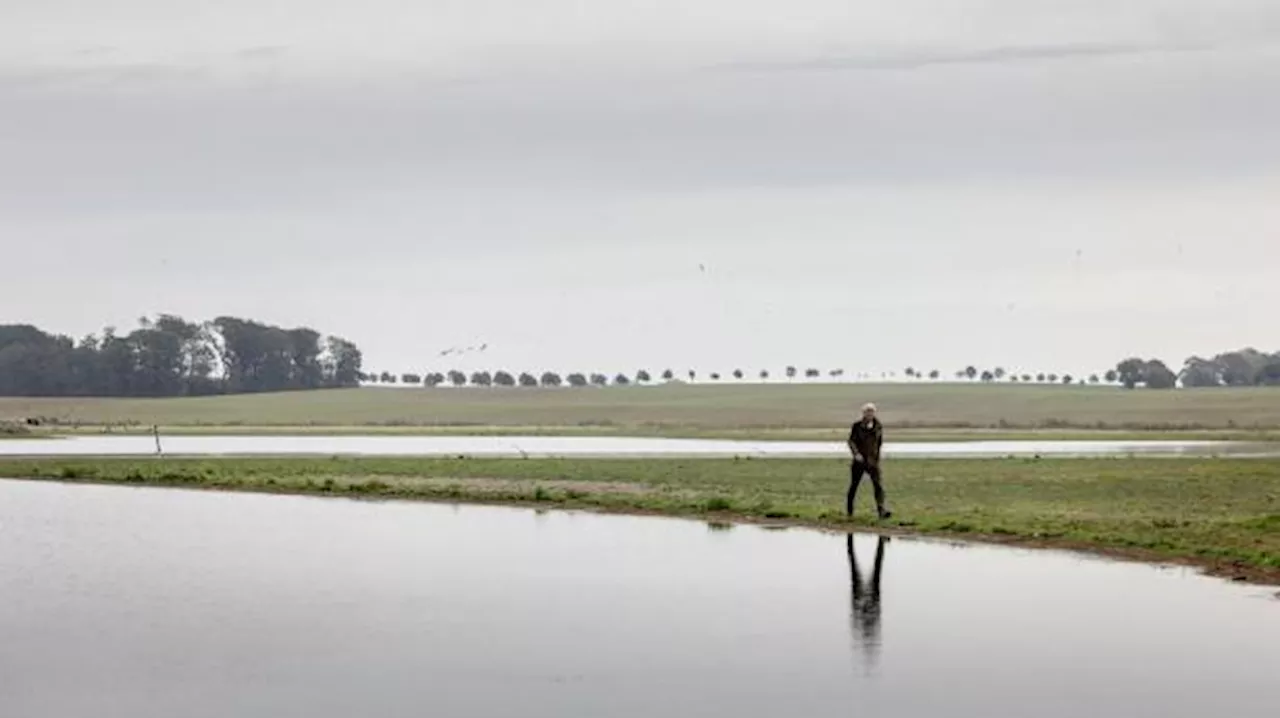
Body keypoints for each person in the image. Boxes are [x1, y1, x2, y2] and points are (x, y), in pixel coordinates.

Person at [846, 403, 891, 519]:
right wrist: (856, 454)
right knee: (854, 486)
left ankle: (881, 511)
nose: (870, 414)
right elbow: (851, 441)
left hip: (873, 461)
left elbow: (879, 443)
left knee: (878, 485)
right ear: (863, 413)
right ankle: (850, 511)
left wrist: (877, 457)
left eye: (872, 412)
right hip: (859, 461)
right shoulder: (857, 426)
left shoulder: (878, 426)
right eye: (867, 412)